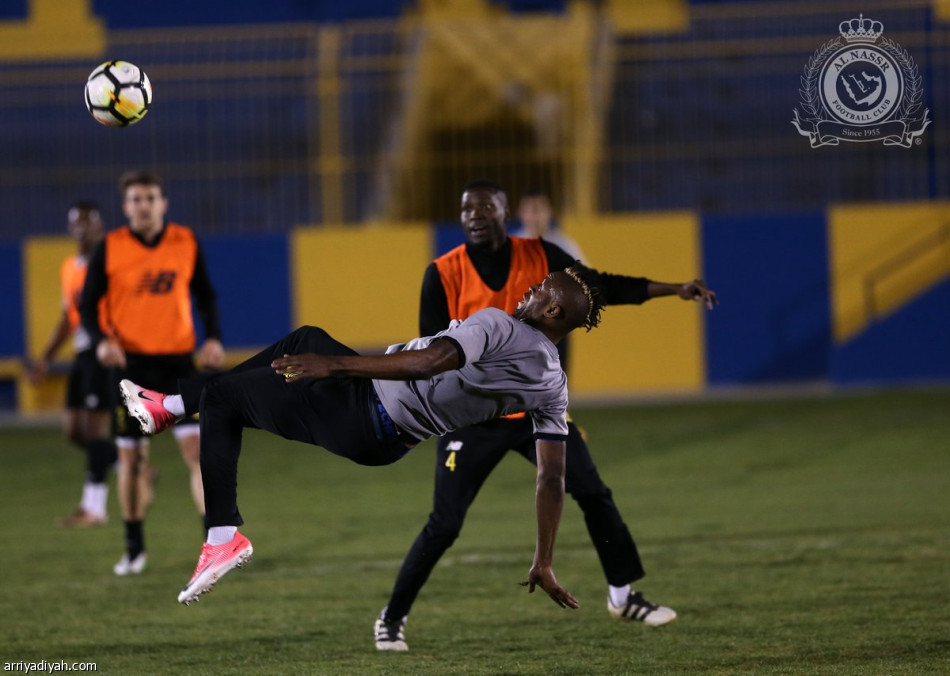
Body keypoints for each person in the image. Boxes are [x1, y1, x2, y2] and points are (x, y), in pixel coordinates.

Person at [117, 263, 606, 609]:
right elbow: (551, 478)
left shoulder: (499, 324)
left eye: (542, 289)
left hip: (366, 412)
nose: (531, 288)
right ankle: (170, 407)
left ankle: (222, 535)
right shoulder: (554, 385)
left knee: (224, 399)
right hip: (387, 439)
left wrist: (333, 366)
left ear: (553, 311)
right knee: (303, 339)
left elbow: (429, 362)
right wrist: (544, 560)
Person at [374, 180, 718, 651]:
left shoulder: (542, 255)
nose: (475, 215)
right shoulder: (442, 272)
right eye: (467, 209)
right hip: (474, 421)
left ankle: (623, 596)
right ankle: (392, 617)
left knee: (593, 492)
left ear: (505, 211)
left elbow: (601, 287)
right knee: (445, 524)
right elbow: (432, 353)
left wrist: (672, 289)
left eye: (485, 207)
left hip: (536, 412)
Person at [80, 171, 225, 576]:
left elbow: (206, 295)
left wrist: (214, 337)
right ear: (125, 207)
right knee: (131, 460)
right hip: (131, 369)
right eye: (136, 199)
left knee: (198, 453)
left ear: (164, 203)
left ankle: (214, 546)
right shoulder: (110, 247)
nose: (143, 205)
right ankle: (134, 547)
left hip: (179, 365)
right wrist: (100, 341)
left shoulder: (185, 240)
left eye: (150, 198)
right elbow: (88, 304)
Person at [29, 201, 117, 528]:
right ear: (70, 228)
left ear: (99, 226)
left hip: (102, 350)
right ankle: (128, 466)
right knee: (74, 432)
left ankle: (94, 508)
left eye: (88, 221)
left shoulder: (108, 264)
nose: (82, 227)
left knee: (94, 430)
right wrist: (45, 358)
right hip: (82, 353)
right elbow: (68, 317)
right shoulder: (69, 267)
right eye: (76, 222)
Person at [510, 189, 585, 263]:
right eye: (529, 211)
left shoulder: (564, 245)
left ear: (550, 212)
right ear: (520, 213)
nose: (534, 217)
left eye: (539, 210)